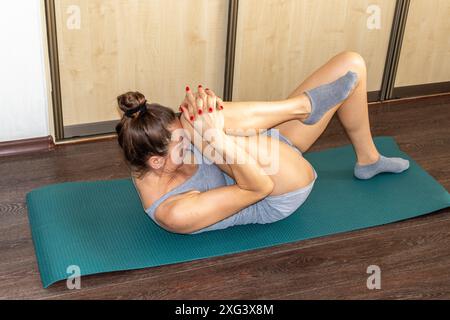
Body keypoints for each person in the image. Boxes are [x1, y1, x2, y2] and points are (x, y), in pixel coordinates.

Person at [115, 51, 410, 235]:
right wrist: (213, 136)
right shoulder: (174, 213)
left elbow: (192, 125)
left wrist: (200, 113)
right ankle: (303, 107)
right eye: (182, 141)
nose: (188, 141)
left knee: (352, 65)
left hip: (264, 146)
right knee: (204, 124)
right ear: (157, 161)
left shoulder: (144, 143)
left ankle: (368, 158)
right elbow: (259, 188)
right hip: (274, 188)